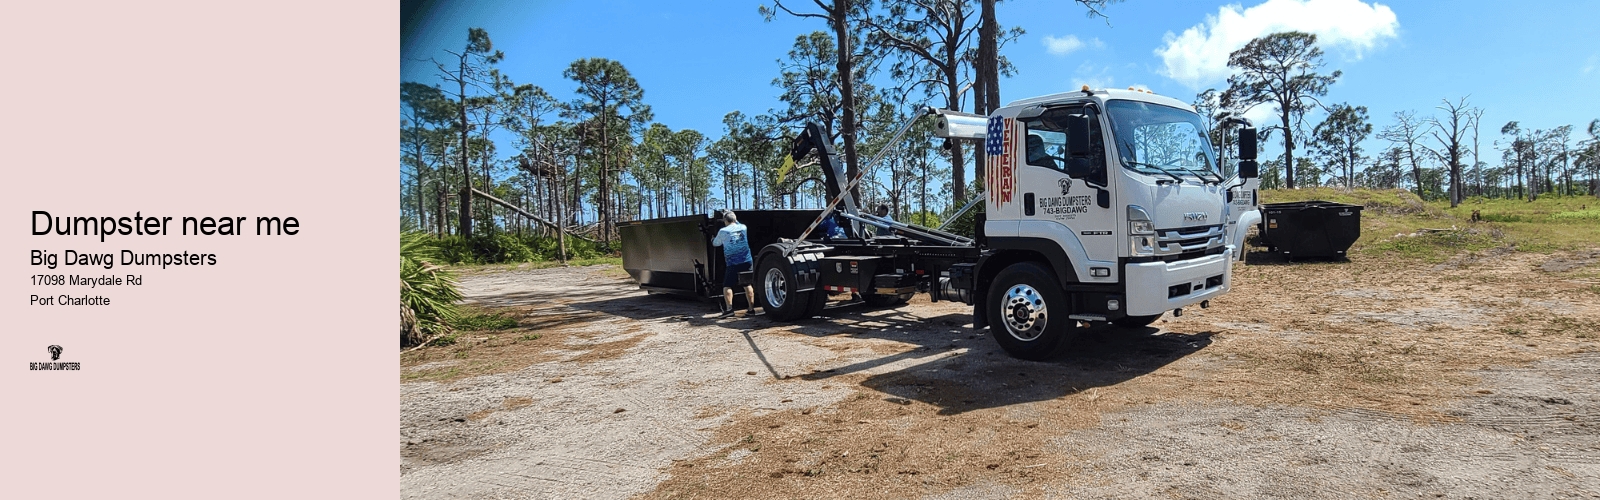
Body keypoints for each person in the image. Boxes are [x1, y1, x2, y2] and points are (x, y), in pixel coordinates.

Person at [711, 210, 757, 317]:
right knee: (747, 284)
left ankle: (729, 309)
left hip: (732, 262)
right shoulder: (743, 227)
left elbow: (716, 244)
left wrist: (712, 239)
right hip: (746, 260)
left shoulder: (723, 231)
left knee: (727, 285)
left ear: (725, 220)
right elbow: (738, 223)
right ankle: (751, 309)